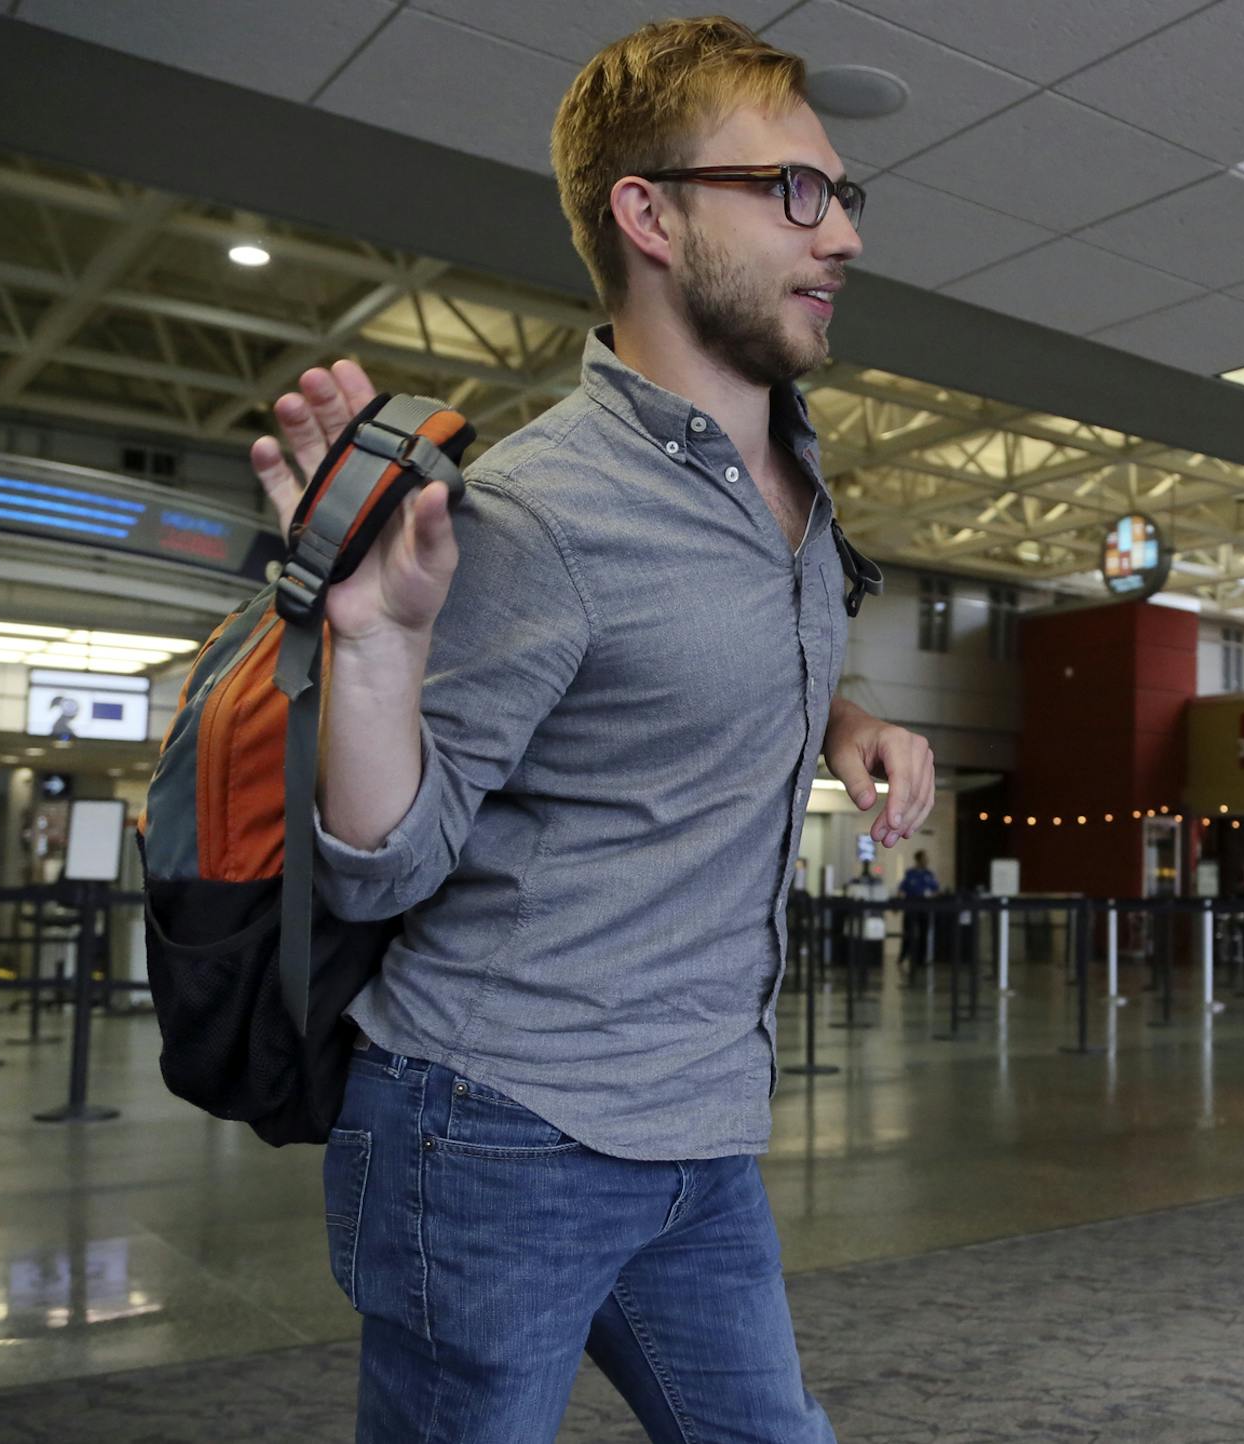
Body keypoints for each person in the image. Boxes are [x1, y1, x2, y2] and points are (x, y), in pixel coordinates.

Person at [246, 18, 933, 1442]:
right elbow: (385, 865)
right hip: (493, 1129)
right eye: (796, 191)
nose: (844, 234)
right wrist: (372, 653)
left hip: (697, 1130)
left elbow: (675, 675)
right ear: (651, 214)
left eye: (845, 194)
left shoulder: (791, 469)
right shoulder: (544, 512)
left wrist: (844, 719)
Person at [897, 848, 940, 973]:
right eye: (924, 858)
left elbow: (936, 890)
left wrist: (932, 895)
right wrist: (897, 902)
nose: (927, 860)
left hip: (924, 908)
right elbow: (901, 889)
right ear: (918, 859)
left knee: (923, 934)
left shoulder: (929, 874)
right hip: (910, 907)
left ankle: (921, 960)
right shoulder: (910, 873)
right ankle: (903, 956)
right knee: (908, 933)